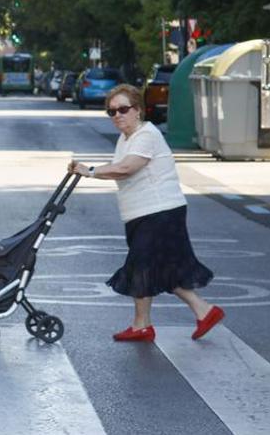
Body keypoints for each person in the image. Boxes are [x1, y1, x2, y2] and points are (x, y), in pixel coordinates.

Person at [67, 84, 224, 342]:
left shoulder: (147, 135)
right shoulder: (126, 138)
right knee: (160, 268)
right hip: (142, 214)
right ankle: (198, 312)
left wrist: (91, 171)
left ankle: (146, 323)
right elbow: (120, 168)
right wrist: (92, 171)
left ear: (137, 110)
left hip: (160, 212)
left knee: (141, 265)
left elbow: (127, 168)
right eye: (112, 112)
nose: (117, 115)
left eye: (123, 109)